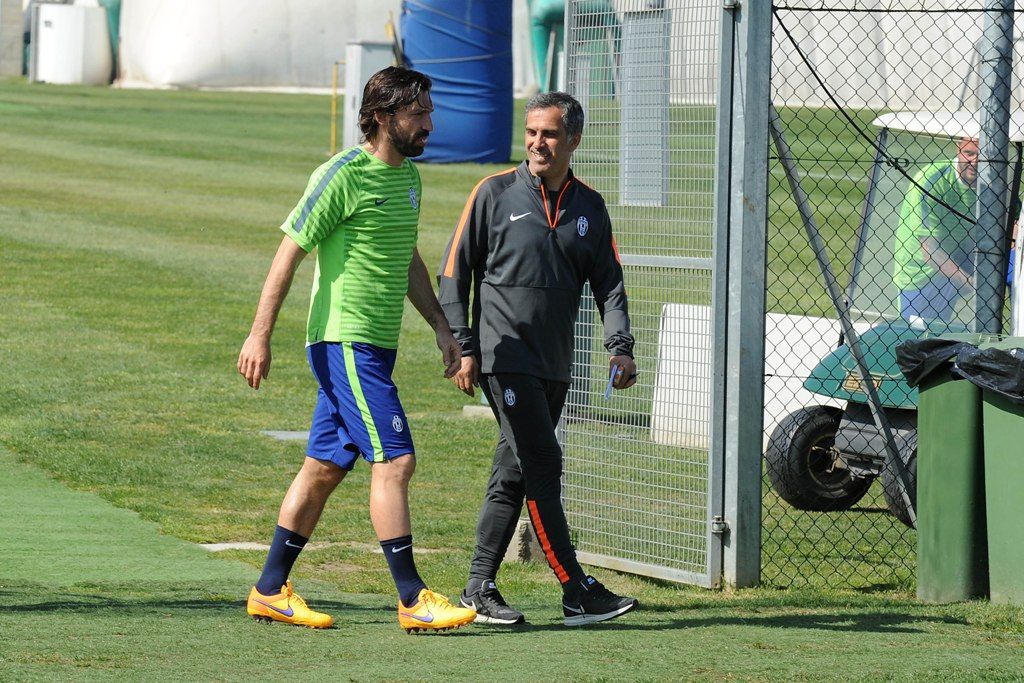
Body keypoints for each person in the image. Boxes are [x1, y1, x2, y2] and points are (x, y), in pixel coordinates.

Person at [237, 66, 476, 633]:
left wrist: (441, 327)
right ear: (383, 116)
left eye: (429, 112)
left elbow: (406, 255)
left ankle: (269, 590)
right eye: (418, 113)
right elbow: (289, 252)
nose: (429, 124)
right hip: (345, 341)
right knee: (395, 460)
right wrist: (259, 334)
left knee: (323, 467)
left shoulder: (409, 178)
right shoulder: (341, 175)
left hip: (374, 345)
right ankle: (413, 598)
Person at [438, 91, 639, 626]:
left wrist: (620, 347)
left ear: (573, 140)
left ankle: (478, 588)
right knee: (544, 462)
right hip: (503, 357)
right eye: (531, 132)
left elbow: (609, 285)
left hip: (555, 365)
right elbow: (454, 272)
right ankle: (576, 589)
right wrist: (462, 347)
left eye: (549, 134)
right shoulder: (493, 193)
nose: (537, 143)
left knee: (514, 471)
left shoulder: (589, 207)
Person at [893, 137, 980, 328]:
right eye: (969, 153)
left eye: (982, 156)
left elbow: (1014, 224)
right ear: (958, 149)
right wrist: (975, 285)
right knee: (916, 337)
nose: (975, 162)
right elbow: (930, 251)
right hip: (922, 273)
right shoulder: (931, 181)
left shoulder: (994, 183)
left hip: (960, 260)